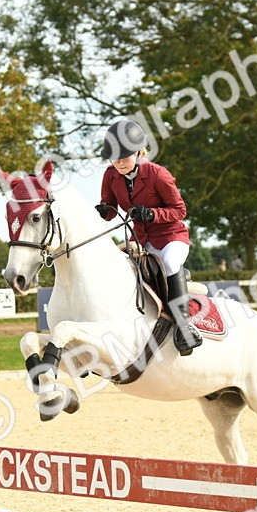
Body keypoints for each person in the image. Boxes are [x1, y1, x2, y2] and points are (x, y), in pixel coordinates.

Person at [95, 118, 201, 355]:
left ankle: (185, 326)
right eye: (114, 157)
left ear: (139, 152)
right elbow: (110, 209)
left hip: (171, 236)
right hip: (140, 239)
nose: (119, 162)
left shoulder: (158, 174)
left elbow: (180, 210)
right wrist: (103, 211)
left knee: (171, 262)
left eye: (125, 156)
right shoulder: (110, 175)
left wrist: (151, 214)